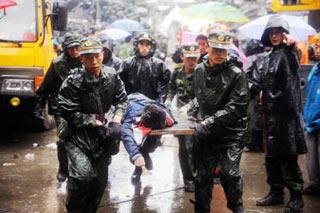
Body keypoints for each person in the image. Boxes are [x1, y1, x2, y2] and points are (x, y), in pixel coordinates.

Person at [57, 37, 127, 212]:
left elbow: (122, 100)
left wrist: (116, 119)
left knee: (99, 183)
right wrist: (93, 121)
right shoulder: (73, 81)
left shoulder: (112, 75)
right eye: (88, 57)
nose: (94, 61)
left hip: (102, 135)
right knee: (82, 177)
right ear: (81, 59)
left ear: (102, 55)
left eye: (96, 56)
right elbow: (67, 111)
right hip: (77, 135)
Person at [251, 15, 307, 212]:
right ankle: (276, 192)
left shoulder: (290, 54)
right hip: (270, 116)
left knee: (288, 157)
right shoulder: (267, 57)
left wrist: (292, 48)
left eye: (278, 32)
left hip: (286, 117)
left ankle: (296, 195)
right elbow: (259, 82)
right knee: (272, 157)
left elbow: (294, 65)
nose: (274, 36)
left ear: (284, 35)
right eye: (272, 32)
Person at [190, 30, 249, 213]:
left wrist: (207, 123)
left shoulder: (236, 74)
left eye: (223, 50)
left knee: (229, 174)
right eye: (215, 49)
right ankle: (201, 208)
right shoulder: (199, 69)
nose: (219, 54)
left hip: (232, 132)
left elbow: (236, 108)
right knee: (202, 176)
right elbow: (199, 97)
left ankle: (237, 207)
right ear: (207, 47)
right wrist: (191, 111)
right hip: (208, 133)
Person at [33, 33, 82, 183]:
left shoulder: (86, 60)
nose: (74, 51)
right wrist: (38, 108)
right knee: (63, 138)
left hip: (83, 107)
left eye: (77, 48)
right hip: (61, 107)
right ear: (66, 49)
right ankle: (63, 168)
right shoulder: (57, 64)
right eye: (71, 48)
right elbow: (44, 89)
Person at [166, 44, 199, 192]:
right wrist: (168, 100)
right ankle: (188, 179)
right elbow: (172, 88)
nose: (191, 61)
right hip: (179, 115)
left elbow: (202, 94)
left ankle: (196, 176)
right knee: (184, 147)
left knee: (194, 147)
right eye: (188, 58)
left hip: (196, 116)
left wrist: (190, 106)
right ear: (182, 57)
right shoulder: (177, 71)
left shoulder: (201, 72)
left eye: (194, 58)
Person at [121, 93, 175, 184]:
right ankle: (139, 165)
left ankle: (145, 153)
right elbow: (125, 133)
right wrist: (135, 155)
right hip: (132, 101)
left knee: (151, 143)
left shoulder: (163, 112)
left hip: (147, 102)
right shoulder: (131, 112)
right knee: (136, 142)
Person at [120, 33, 171, 103]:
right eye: (141, 44)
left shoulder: (159, 65)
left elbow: (165, 86)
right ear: (136, 45)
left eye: (147, 45)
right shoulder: (127, 63)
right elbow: (120, 86)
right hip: (132, 104)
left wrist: (160, 102)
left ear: (151, 46)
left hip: (153, 104)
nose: (144, 47)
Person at [303, 32, 320, 197]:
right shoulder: (315, 68)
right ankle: (315, 184)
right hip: (311, 120)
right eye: (316, 45)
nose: (317, 49)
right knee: (312, 157)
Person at [244, 39, 266, 152]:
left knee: (256, 120)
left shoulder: (258, 60)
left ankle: (255, 145)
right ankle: (256, 144)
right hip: (255, 95)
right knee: (254, 120)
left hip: (257, 95)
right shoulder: (261, 59)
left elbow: (257, 78)